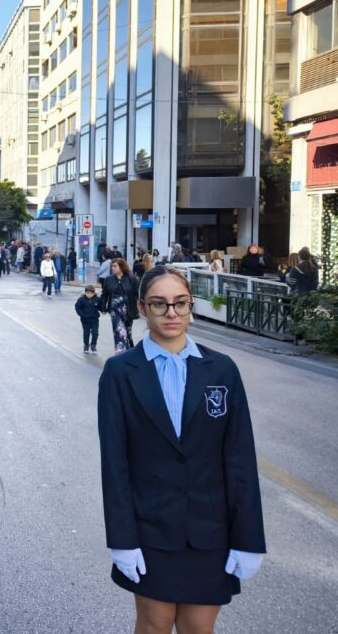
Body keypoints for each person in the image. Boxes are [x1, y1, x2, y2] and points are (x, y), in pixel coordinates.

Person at [97, 266, 265, 633]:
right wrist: (122, 539)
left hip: (211, 530)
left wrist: (249, 539)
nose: (171, 313)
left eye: (180, 303)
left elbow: (239, 459)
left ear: (191, 305)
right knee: (154, 623)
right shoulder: (120, 372)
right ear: (142, 308)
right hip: (151, 528)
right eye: (159, 304)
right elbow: (115, 463)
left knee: (198, 627)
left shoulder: (222, 370)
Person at [101, 259, 139, 354]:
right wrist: (103, 307)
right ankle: (120, 353)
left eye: (115, 266)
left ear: (122, 267)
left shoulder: (132, 279)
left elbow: (137, 295)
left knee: (128, 334)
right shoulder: (109, 279)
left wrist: (138, 307)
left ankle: (130, 352)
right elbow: (104, 294)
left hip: (128, 310)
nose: (112, 268)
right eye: (112, 266)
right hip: (114, 310)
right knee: (119, 331)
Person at [75, 284, 101, 354]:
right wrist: (82, 315)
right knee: (86, 333)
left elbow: (101, 307)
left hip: (94, 320)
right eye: (88, 293)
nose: (89, 295)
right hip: (85, 320)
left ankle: (93, 345)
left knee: (95, 333)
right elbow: (78, 308)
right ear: (85, 292)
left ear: (94, 293)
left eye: (91, 293)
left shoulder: (97, 299)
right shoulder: (81, 300)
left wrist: (104, 309)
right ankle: (86, 345)